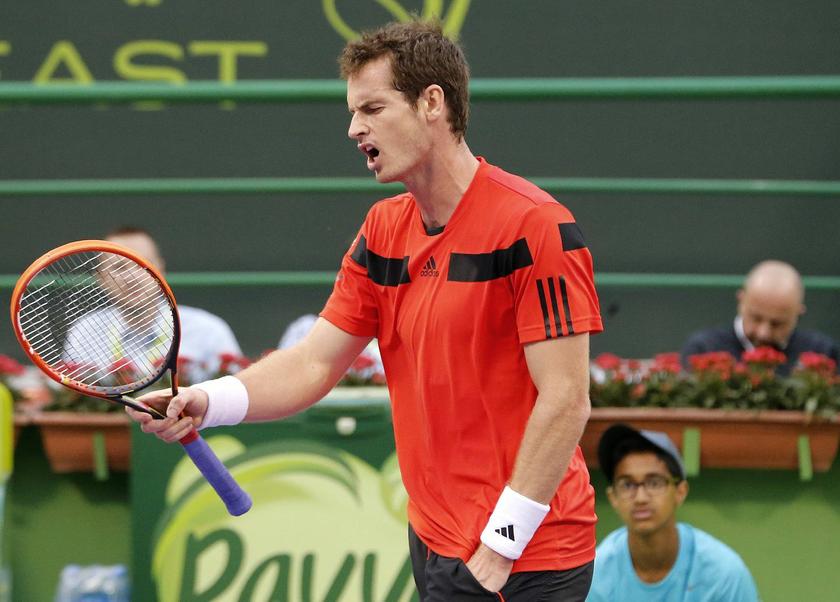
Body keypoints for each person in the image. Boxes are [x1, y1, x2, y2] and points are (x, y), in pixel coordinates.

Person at [128, 20, 603, 601]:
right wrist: (208, 401)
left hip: (527, 554)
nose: (355, 129)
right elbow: (313, 364)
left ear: (432, 103)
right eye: (354, 113)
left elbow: (565, 400)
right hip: (435, 540)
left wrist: (498, 549)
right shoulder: (382, 231)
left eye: (373, 109)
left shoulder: (536, 226)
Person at [587, 424, 760, 601]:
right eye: (627, 484)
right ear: (613, 496)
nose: (640, 498)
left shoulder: (724, 574)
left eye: (654, 483)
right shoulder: (595, 577)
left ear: (680, 491)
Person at [63, 226, 244, 382]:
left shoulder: (209, 330)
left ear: (161, 270)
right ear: (101, 279)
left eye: (143, 264)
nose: (132, 278)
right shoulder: (83, 331)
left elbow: (237, 399)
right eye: (119, 267)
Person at [681, 260, 839, 375]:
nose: (764, 333)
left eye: (777, 323)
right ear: (741, 300)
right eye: (756, 318)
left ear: (798, 313)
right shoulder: (703, 349)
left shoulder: (823, 352)